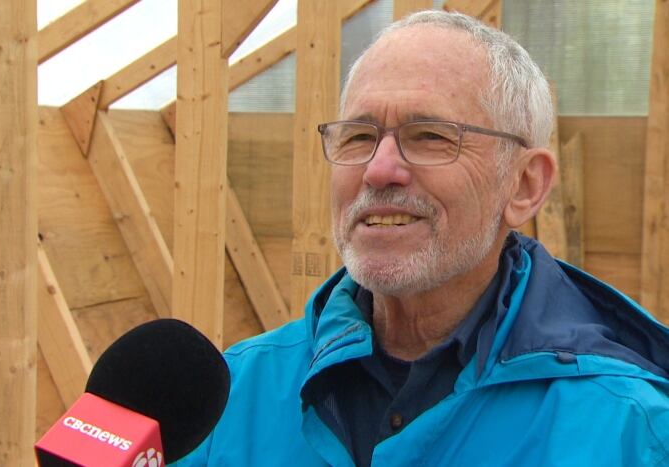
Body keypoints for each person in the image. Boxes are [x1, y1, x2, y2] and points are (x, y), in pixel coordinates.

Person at [173, 10, 669, 466]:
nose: (378, 169)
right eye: (359, 137)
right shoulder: (228, 397)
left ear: (524, 186)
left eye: (430, 136)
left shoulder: (632, 430)